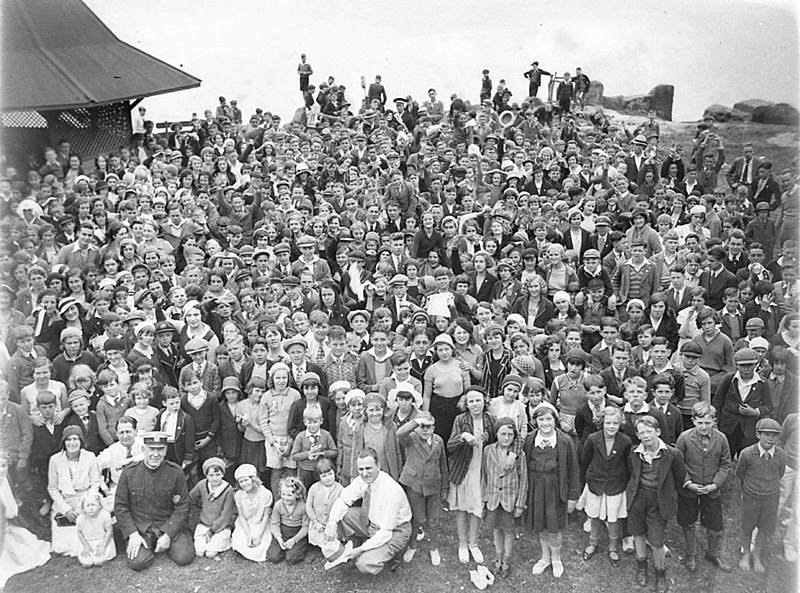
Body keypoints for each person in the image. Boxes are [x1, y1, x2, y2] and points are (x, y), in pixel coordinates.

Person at [323, 448, 413, 575]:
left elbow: (386, 532)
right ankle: (356, 543)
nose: (365, 473)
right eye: (361, 469)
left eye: (369, 468)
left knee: (363, 564)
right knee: (342, 514)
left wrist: (360, 550)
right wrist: (332, 523)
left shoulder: (391, 491)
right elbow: (344, 499)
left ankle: (393, 552)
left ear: (378, 466)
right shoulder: (362, 480)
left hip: (395, 531)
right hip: (373, 522)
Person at [114, 431, 195, 571]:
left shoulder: (175, 472)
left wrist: (169, 533)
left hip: (167, 523)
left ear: (166, 450)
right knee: (137, 563)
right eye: (152, 449)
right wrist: (132, 534)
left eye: (160, 449)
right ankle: (146, 544)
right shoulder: (129, 473)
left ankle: (163, 542)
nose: (156, 454)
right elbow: (121, 506)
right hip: (141, 528)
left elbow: (182, 507)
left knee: (184, 557)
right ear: (143, 449)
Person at [625, 415, 689, 592]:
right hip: (638, 498)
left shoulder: (672, 454)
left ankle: (660, 574)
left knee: (656, 540)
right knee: (637, 533)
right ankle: (641, 568)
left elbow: (679, 477)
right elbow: (632, 473)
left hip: (658, 500)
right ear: (637, 435)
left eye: (649, 431)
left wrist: (666, 494)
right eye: (641, 432)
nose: (646, 436)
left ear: (658, 432)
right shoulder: (634, 452)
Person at [524, 402, 580, 579]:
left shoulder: (564, 441)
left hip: (555, 488)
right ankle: (545, 557)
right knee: (540, 524)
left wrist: (572, 497)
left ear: (555, 420)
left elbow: (573, 470)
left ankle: (556, 558)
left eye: (549, 419)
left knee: (554, 527)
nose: (545, 423)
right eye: (541, 419)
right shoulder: (530, 439)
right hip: (535, 487)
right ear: (535, 421)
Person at [675, 402, 733, 572]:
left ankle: (713, 553)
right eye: (700, 422)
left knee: (714, 525)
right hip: (689, 490)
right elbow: (678, 464)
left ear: (714, 421)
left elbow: (726, 464)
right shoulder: (684, 438)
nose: (704, 426)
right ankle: (690, 553)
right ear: (693, 421)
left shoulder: (721, 439)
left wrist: (714, 485)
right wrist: (688, 484)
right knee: (688, 522)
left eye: (708, 423)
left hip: (711, 490)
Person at [577, 406, 631, 567]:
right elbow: (585, 461)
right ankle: (593, 543)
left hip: (616, 485)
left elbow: (628, 466)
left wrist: (624, 484)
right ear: (602, 422)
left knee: (613, 518)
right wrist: (587, 480)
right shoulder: (593, 439)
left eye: (615, 423)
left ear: (620, 423)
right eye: (608, 423)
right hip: (596, 484)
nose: (612, 426)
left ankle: (613, 547)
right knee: (594, 515)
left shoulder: (625, 441)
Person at [396, 410, 448, 566]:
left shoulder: (438, 440)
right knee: (416, 518)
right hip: (415, 484)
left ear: (434, 427)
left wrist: (445, 486)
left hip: (434, 485)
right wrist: (415, 422)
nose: (426, 430)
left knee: (433, 520)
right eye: (422, 427)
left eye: (429, 427)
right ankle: (412, 546)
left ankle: (433, 548)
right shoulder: (411, 438)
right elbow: (399, 433)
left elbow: (443, 464)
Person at [735, 418, 786, 573]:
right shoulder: (747, 454)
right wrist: (749, 490)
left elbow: (781, 473)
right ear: (758, 434)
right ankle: (746, 554)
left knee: (764, 527)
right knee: (747, 526)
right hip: (751, 496)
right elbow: (740, 473)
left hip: (771, 497)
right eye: (766, 434)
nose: (770, 438)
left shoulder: (781, 455)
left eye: (774, 435)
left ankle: (757, 555)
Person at [482, 417, 528, 579]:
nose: (506, 438)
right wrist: (484, 499)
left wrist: (520, 504)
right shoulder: (488, 451)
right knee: (496, 529)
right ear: (496, 434)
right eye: (503, 434)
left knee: (509, 530)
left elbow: (523, 480)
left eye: (510, 434)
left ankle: (506, 560)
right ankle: (498, 556)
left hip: (510, 500)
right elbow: (484, 475)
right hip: (493, 499)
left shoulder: (519, 455)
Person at [48, 425, 103, 557]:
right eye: (68, 440)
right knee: (63, 546)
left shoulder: (90, 457)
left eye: (75, 439)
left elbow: (95, 484)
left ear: (81, 441)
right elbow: (53, 488)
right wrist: (66, 510)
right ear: (63, 442)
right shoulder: (55, 460)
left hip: (86, 500)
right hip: (65, 501)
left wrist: (82, 507)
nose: (72, 443)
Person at [712, 348, 773, 458]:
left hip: (749, 429)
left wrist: (755, 412)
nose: (746, 369)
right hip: (728, 426)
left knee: (746, 457)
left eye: (750, 365)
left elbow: (769, 406)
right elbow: (717, 401)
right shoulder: (728, 379)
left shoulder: (762, 383)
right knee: (725, 456)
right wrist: (715, 423)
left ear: (755, 365)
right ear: (736, 365)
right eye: (742, 365)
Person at [188, 457, 235, 558]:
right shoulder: (202, 485)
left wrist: (212, 531)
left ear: (223, 474)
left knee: (210, 553)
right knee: (199, 553)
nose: (214, 478)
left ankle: (226, 539)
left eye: (218, 475)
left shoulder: (228, 489)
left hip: (221, 527)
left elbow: (226, 514)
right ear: (206, 475)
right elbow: (190, 498)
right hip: (204, 524)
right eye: (211, 475)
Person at [231, 463, 273, 562]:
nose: (244, 484)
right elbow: (241, 516)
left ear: (253, 479)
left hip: (261, 523)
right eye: (241, 481)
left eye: (246, 480)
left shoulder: (266, 494)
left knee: (261, 545)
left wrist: (259, 536)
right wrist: (248, 535)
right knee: (244, 541)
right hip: (246, 523)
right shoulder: (239, 495)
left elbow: (265, 517)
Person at [267, 476, 309, 564]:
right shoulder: (278, 505)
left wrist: (294, 540)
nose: (285, 498)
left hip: (297, 532)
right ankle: (283, 548)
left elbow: (306, 527)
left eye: (289, 495)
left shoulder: (303, 507)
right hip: (283, 532)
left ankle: (295, 549)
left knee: (291, 558)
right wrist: (279, 538)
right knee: (273, 557)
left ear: (297, 494)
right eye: (283, 494)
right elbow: (274, 524)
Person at [76, 489, 116, 567]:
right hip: (88, 541)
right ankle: (89, 555)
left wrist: (103, 545)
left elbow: (109, 531)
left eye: (93, 505)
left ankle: (101, 555)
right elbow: (79, 532)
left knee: (98, 561)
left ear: (99, 506)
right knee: (86, 563)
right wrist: (85, 546)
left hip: (103, 540)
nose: (91, 508)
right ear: (83, 507)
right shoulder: (81, 518)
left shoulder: (105, 515)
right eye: (88, 505)